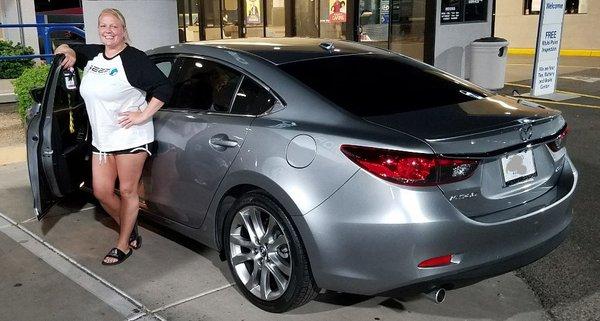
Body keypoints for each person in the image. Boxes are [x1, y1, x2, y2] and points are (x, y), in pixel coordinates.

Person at [54, 8, 172, 265]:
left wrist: (143, 115)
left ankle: (123, 244)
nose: (109, 30)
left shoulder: (134, 59)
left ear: (123, 29)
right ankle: (129, 226)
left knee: (128, 191)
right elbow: (64, 45)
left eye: (114, 26)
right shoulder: (95, 54)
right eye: (103, 26)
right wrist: (70, 52)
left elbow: (164, 87)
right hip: (103, 139)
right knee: (102, 191)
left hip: (130, 135)